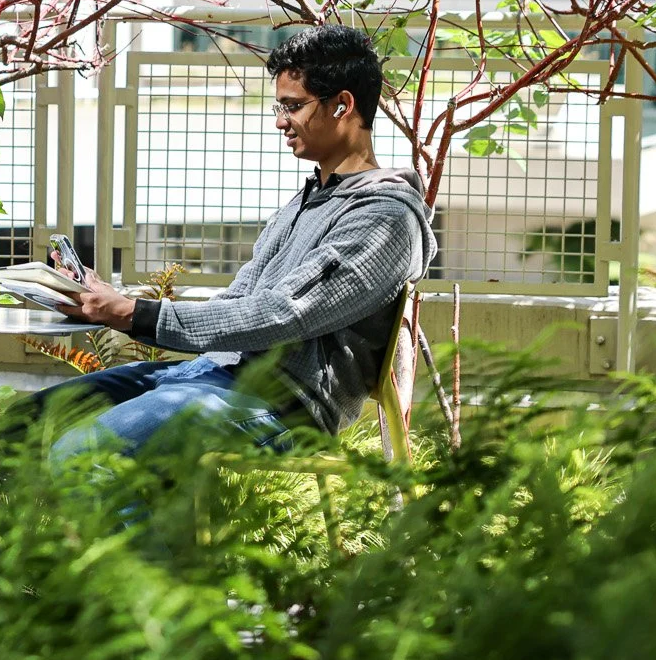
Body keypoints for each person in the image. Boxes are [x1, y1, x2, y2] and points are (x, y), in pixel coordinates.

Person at [37, 24, 438, 460]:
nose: (280, 121)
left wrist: (135, 314)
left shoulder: (386, 217)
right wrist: (114, 299)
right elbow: (240, 301)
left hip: (282, 407)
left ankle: (129, 529)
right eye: (278, 106)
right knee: (24, 425)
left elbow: (282, 313)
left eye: (293, 106)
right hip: (213, 374)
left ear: (343, 104)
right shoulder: (309, 199)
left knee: (83, 452)